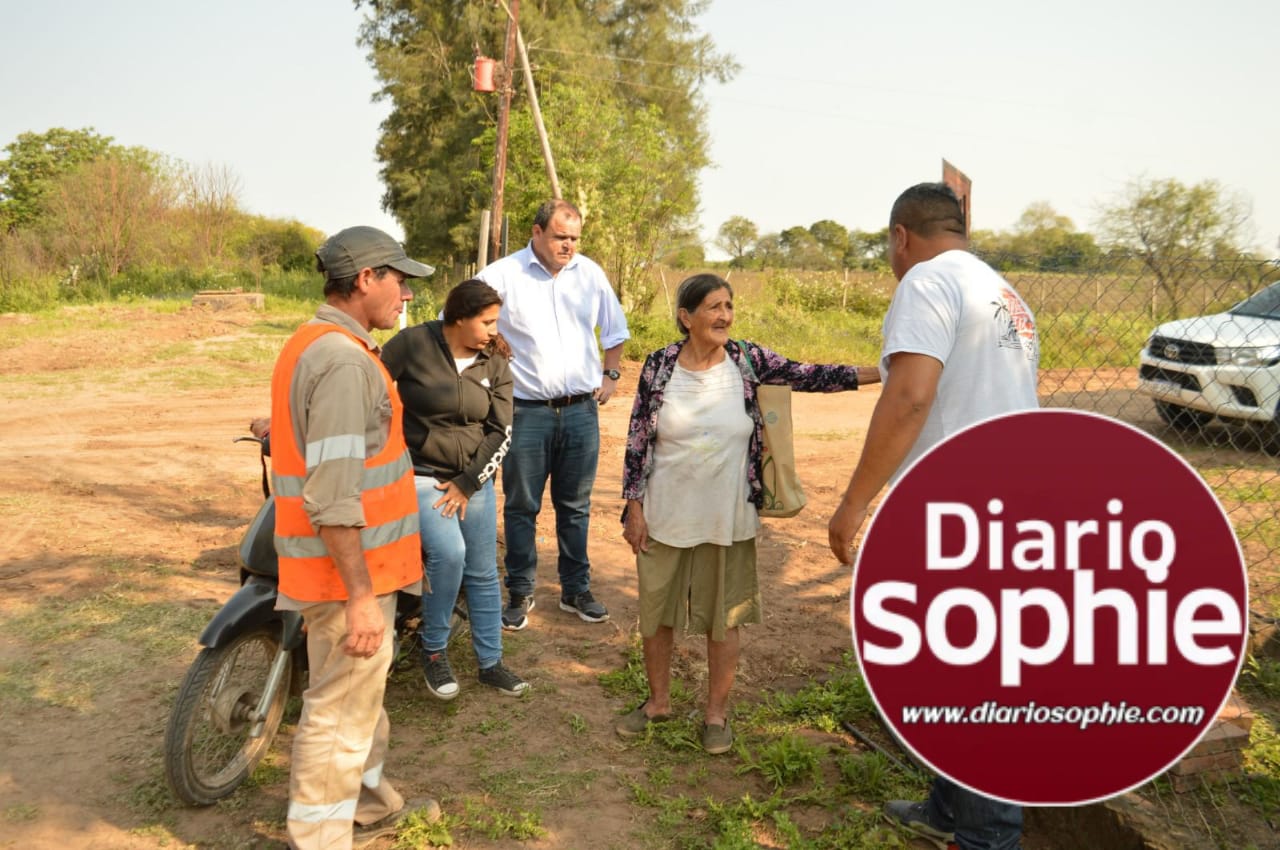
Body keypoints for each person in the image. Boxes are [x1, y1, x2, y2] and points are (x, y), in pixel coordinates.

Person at [827, 183, 1037, 850]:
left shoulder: (924, 282)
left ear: (900, 236)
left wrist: (854, 501)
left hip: (965, 510)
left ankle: (989, 838)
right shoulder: (1004, 292)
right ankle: (951, 808)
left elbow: (911, 395)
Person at [616, 273, 880, 754]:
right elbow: (637, 440)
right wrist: (633, 507)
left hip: (727, 515)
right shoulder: (659, 366)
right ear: (685, 317)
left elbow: (809, 375)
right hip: (664, 512)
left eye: (729, 306)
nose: (724, 316)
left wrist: (883, 370)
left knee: (724, 619)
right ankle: (657, 703)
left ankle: (715, 715)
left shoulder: (746, 360)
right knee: (656, 617)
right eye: (713, 307)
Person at [270, 226, 439, 849]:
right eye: (399, 280)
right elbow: (334, 496)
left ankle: (367, 802)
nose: (407, 295)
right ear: (366, 279)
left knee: (358, 701)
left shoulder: (317, 344)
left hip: (351, 572)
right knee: (338, 713)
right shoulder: (342, 360)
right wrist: (361, 594)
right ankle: (319, 839)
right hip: (345, 576)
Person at [475, 199, 630, 630]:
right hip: (525, 413)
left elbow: (614, 331)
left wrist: (611, 374)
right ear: (537, 231)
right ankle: (520, 592)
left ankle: (575, 589)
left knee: (575, 506)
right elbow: (460, 320)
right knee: (522, 506)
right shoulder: (502, 275)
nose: (569, 246)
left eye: (575, 238)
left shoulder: (590, 275)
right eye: (562, 237)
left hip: (581, 411)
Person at [380, 279, 530, 701]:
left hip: (473, 481)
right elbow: (369, 385)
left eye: (496, 322)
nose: (493, 331)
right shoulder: (412, 345)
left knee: (482, 572)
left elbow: (501, 432)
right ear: (459, 317)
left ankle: (491, 663)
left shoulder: (495, 362)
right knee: (450, 554)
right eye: (486, 322)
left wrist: (468, 483)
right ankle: (433, 650)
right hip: (421, 476)